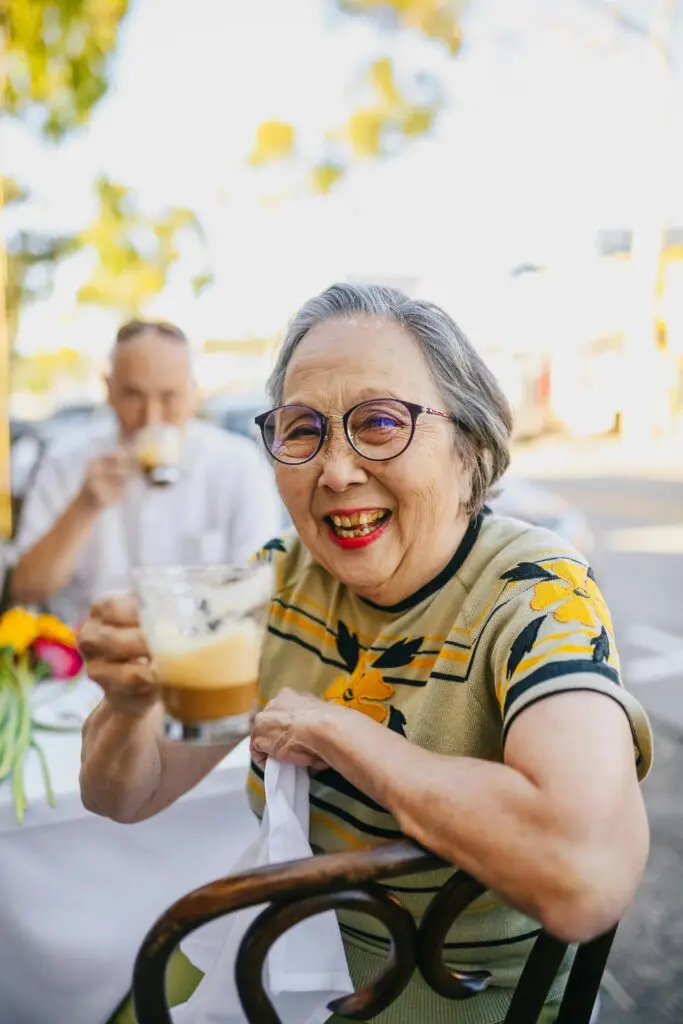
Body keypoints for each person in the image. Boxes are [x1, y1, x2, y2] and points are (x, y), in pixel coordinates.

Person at [79, 285, 652, 1024]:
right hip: (282, 981)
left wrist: (338, 730)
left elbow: (584, 880)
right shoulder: (281, 577)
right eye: (302, 430)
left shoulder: (535, 591)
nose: (336, 470)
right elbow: (125, 796)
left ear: (469, 445)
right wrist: (128, 705)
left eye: (379, 423)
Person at [12, 320, 280, 626]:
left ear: (193, 394)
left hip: (201, 659)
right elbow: (26, 589)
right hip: (85, 661)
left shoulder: (237, 464)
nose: (151, 418)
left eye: (169, 398)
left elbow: (261, 586)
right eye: (133, 396)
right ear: (109, 391)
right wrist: (84, 507)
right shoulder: (67, 461)